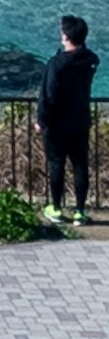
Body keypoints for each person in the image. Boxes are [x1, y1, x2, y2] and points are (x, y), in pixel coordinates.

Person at [42, 15, 95, 216]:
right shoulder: (90, 61)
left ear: (65, 36)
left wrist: (42, 121)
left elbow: (48, 96)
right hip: (80, 121)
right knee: (80, 165)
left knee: (57, 165)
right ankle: (80, 211)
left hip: (57, 124)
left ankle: (56, 208)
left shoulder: (57, 64)